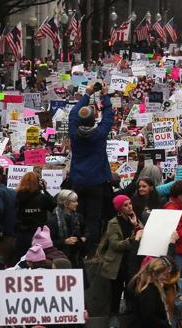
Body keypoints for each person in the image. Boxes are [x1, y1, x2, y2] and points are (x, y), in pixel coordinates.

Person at [69, 81, 116, 254]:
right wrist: (105, 95)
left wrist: (87, 94)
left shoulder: (74, 133)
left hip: (78, 180)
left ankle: (77, 245)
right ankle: (91, 248)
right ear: (92, 120)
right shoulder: (99, 134)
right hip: (96, 182)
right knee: (93, 218)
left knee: (77, 214)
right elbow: (109, 117)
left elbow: (73, 113)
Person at [94, 195, 149, 319]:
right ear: (119, 208)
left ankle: (130, 315)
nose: (129, 207)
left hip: (132, 261)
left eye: (130, 203)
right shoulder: (113, 223)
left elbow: (143, 236)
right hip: (117, 263)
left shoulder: (135, 219)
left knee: (132, 289)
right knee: (116, 291)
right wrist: (132, 239)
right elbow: (115, 245)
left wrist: (135, 225)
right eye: (125, 205)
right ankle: (113, 317)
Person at [14, 171, 56, 260]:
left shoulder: (16, 196)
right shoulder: (43, 197)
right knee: (38, 261)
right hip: (39, 235)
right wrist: (45, 190)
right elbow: (54, 207)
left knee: (21, 261)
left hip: (22, 234)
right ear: (38, 183)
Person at [124, 256, 174, 328]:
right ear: (155, 274)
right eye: (164, 274)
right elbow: (148, 318)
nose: (166, 277)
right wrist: (165, 325)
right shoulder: (149, 291)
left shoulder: (144, 285)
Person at [47, 190, 86, 267]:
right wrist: (64, 241)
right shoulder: (53, 220)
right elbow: (49, 241)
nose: (77, 204)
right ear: (65, 203)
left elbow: (86, 230)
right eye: (74, 201)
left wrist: (84, 237)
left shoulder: (79, 217)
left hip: (77, 258)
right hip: (59, 258)